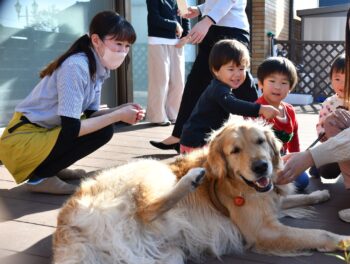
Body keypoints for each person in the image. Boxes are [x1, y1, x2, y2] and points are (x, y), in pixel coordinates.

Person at [0, 11, 145, 195]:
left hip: (45, 132)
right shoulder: (76, 66)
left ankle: (53, 168)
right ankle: (41, 177)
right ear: (96, 40)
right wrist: (117, 115)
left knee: (103, 129)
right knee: (101, 129)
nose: (123, 51)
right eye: (118, 43)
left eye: (127, 46)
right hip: (22, 139)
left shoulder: (98, 66)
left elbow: (91, 114)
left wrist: (121, 109)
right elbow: (72, 129)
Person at [150, 0, 258, 152]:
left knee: (240, 82)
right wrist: (200, 10)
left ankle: (262, 128)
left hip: (232, 29)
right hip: (212, 28)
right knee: (196, 82)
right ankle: (179, 135)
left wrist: (206, 20)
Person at [278, 8, 350, 221]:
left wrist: (308, 158)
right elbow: (321, 129)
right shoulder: (329, 103)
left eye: (283, 83)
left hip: (331, 148)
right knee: (333, 122)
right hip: (329, 143)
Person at [179, 39, 279, 153]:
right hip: (196, 142)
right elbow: (232, 104)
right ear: (216, 71)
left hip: (197, 139)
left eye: (241, 69)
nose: (237, 74)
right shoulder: (218, 89)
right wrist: (259, 108)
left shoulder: (221, 86)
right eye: (231, 69)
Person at [256, 56, 309, 191]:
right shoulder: (257, 109)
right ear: (260, 84)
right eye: (272, 81)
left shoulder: (290, 110)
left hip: (283, 162)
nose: (278, 87)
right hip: (262, 165)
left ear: (290, 88)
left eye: (284, 83)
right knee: (297, 182)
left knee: (303, 180)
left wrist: (297, 160)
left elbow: (294, 140)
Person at [145, 0, 190, 126]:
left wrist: (186, 37)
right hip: (157, 41)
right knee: (160, 80)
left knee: (178, 81)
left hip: (177, 43)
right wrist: (174, 25)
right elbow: (154, 18)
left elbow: (186, 18)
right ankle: (157, 117)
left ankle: (174, 115)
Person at [309, 53, 346, 179]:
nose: (343, 84)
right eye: (337, 79)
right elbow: (322, 122)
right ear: (330, 80)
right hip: (334, 145)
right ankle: (316, 165)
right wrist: (322, 132)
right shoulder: (330, 103)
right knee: (327, 173)